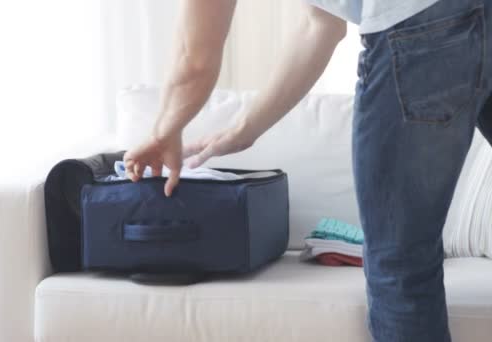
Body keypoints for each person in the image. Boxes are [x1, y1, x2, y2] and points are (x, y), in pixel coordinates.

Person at [123, 0, 492, 341]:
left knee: (401, 265)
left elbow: (195, 58)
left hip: (422, 27)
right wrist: (243, 131)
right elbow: (322, 23)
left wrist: (163, 132)